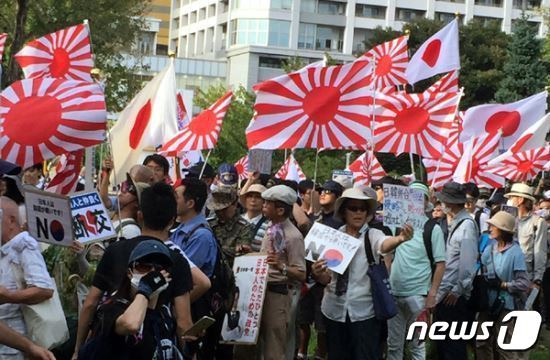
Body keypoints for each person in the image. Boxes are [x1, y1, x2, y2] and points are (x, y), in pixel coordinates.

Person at [73, 183, 194, 359]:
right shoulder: (177, 261)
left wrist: (77, 349)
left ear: (140, 216)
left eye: (156, 269)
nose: (150, 271)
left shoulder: (115, 250)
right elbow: (184, 322)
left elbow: (90, 303)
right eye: (142, 267)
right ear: (171, 221)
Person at [311, 188, 413, 360]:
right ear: (343, 211)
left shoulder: (373, 235)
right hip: (334, 311)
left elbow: (383, 244)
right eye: (353, 208)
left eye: (362, 209)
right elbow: (327, 278)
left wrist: (400, 239)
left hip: (364, 313)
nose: (358, 212)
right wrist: (317, 272)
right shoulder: (333, 237)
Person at [79, 240, 183, 359]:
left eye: (159, 269)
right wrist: (145, 290)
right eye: (144, 266)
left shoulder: (165, 314)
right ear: (129, 273)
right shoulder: (112, 308)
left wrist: (190, 346)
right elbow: (131, 325)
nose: (152, 274)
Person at [387, 182, 446, 360]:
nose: (415, 202)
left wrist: (432, 294)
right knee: (393, 345)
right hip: (394, 293)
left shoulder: (432, 228)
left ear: (426, 202)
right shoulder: (395, 224)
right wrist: (389, 278)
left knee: (417, 346)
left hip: (419, 296)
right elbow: (387, 253)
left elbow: (441, 263)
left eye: (420, 198)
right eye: (412, 198)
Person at [0, 197, 55, 359]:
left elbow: (44, 289)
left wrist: (9, 296)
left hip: (18, 343)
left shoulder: (23, 243)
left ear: (11, 220)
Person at [297, 180, 343, 360]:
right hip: (308, 277)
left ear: (338, 197)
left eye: (329, 191)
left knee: (322, 324)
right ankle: (301, 352)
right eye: (322, 190)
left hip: (327, 280)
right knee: (302, 319)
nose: (323, 193)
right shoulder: (315, 219)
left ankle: (321, 354)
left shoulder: (341, 223)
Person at [259, 185, 306, 360]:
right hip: (261, 290)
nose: (263, 206)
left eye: (267, 204)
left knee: (274, 343)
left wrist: (281, 267)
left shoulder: (293, 236)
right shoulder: (270, 228)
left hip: (278, 294)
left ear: (280, 210)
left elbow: (301, 273)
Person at [475, 211, 530, 360]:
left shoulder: (515, 253)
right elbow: (480, 268)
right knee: (482, 342)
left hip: (506, 307)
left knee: (504, 347)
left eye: (493, 226)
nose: (490, 228)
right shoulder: (489, 249)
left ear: (503, 230)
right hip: (487, 304)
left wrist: (504, 284)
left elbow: (524, 283)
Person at [434, 182, 479, 360]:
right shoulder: (457, 222)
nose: (441, 205)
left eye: (443, 201)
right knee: (445, 342)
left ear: (450, 203)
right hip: (447, 290)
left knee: (454, 344)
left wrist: (458, 289)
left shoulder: (467, 225)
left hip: (453, 294)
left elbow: (468, 263)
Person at [505, 183, 548, 299]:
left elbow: (540, 253)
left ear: (520, 200)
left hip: (525, 278)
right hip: (506, 276)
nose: (509, 201)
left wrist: (537, 280)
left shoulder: (538, 222)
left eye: (512, 197)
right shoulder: (508, 220)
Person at [171, 178, 217, 278]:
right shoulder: (182, 227)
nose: (171, 201)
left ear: (190, 203)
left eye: (176, 197)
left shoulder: (201, 236)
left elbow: (183, 273)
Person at [206, 186, 253, 266]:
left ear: (234, 204)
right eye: (217, 210)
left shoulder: (244, 227)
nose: (220, 213)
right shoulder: (208, 223)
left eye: (224, 209)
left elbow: (241, 253)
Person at [110, 174, 148, 239]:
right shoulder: (111, 217)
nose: (124, 191)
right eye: (128, 187)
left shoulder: (131, 230)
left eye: (131, 190)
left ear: (137, 203)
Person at [240, 183, 269, 252]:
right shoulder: (236, 220)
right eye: (250, 196)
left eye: (258, 197)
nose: (253, 200)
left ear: (264, 202)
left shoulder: (269, 225)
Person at [536, 197, 550, 329]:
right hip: (542, 266)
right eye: (541, 208)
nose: (544, 211)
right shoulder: (537, 225)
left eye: (547, 208)